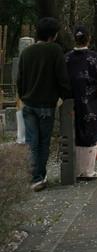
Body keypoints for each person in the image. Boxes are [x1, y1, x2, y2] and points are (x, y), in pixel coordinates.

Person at [17, 17, 72, 191]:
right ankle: (39, 177)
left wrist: (24, 96)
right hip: (46, 105)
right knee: (43, 142)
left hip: (28, 103)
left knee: (32, 141)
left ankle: (35, 176)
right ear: (53, 35)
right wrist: (67, 98)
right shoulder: (55, 51)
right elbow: (62, 78)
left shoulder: (27, 53)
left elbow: (20, 79)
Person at [66, 24, 97, 180]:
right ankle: (88, 170)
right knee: (92, 131)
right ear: (89, 38)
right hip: (90, 100)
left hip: (72, 101)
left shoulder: (67, 58)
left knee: (75, 131)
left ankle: (77, 170)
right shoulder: (94, 57)